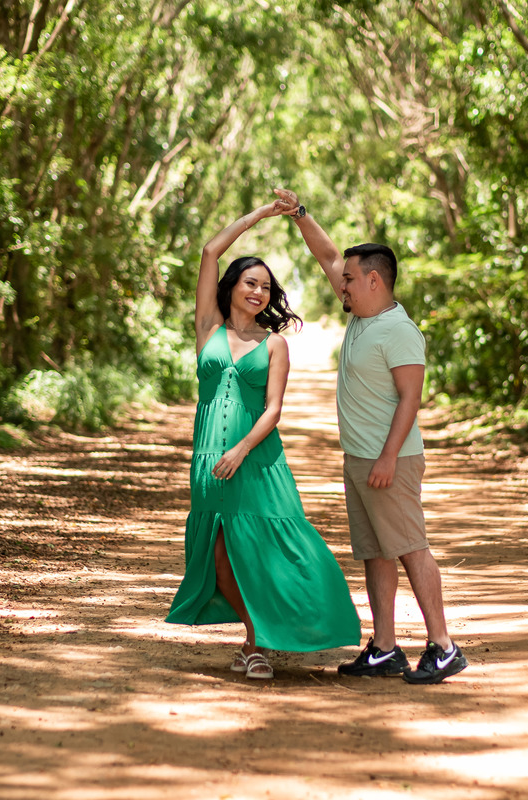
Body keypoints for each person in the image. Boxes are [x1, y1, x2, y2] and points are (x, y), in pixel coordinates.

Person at [165, 193, 360, 679]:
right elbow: (210, 250)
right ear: (232, 286)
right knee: (218, 555)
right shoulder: (208, 329)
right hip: (209, 458)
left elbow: (273, 410)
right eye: (250, 283)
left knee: (266, 549)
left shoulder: (274, 344)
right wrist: (261, 215)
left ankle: (259, 644)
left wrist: (241, 449)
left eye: (267, 288)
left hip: (256, 459)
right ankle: (255, 639)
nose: (258, 292)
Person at [277, 189, 468, 685]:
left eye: (348, 279)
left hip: (391, 461)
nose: (340, 284)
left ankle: (444, 647)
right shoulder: (361, 314)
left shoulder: (398, 330)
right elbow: (327, 254)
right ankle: (385, 648)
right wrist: (300, 214)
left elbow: (410, 399)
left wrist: (386, 457)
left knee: (411, 547)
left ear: (374, 280)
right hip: (360, 459)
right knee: (377, 553)